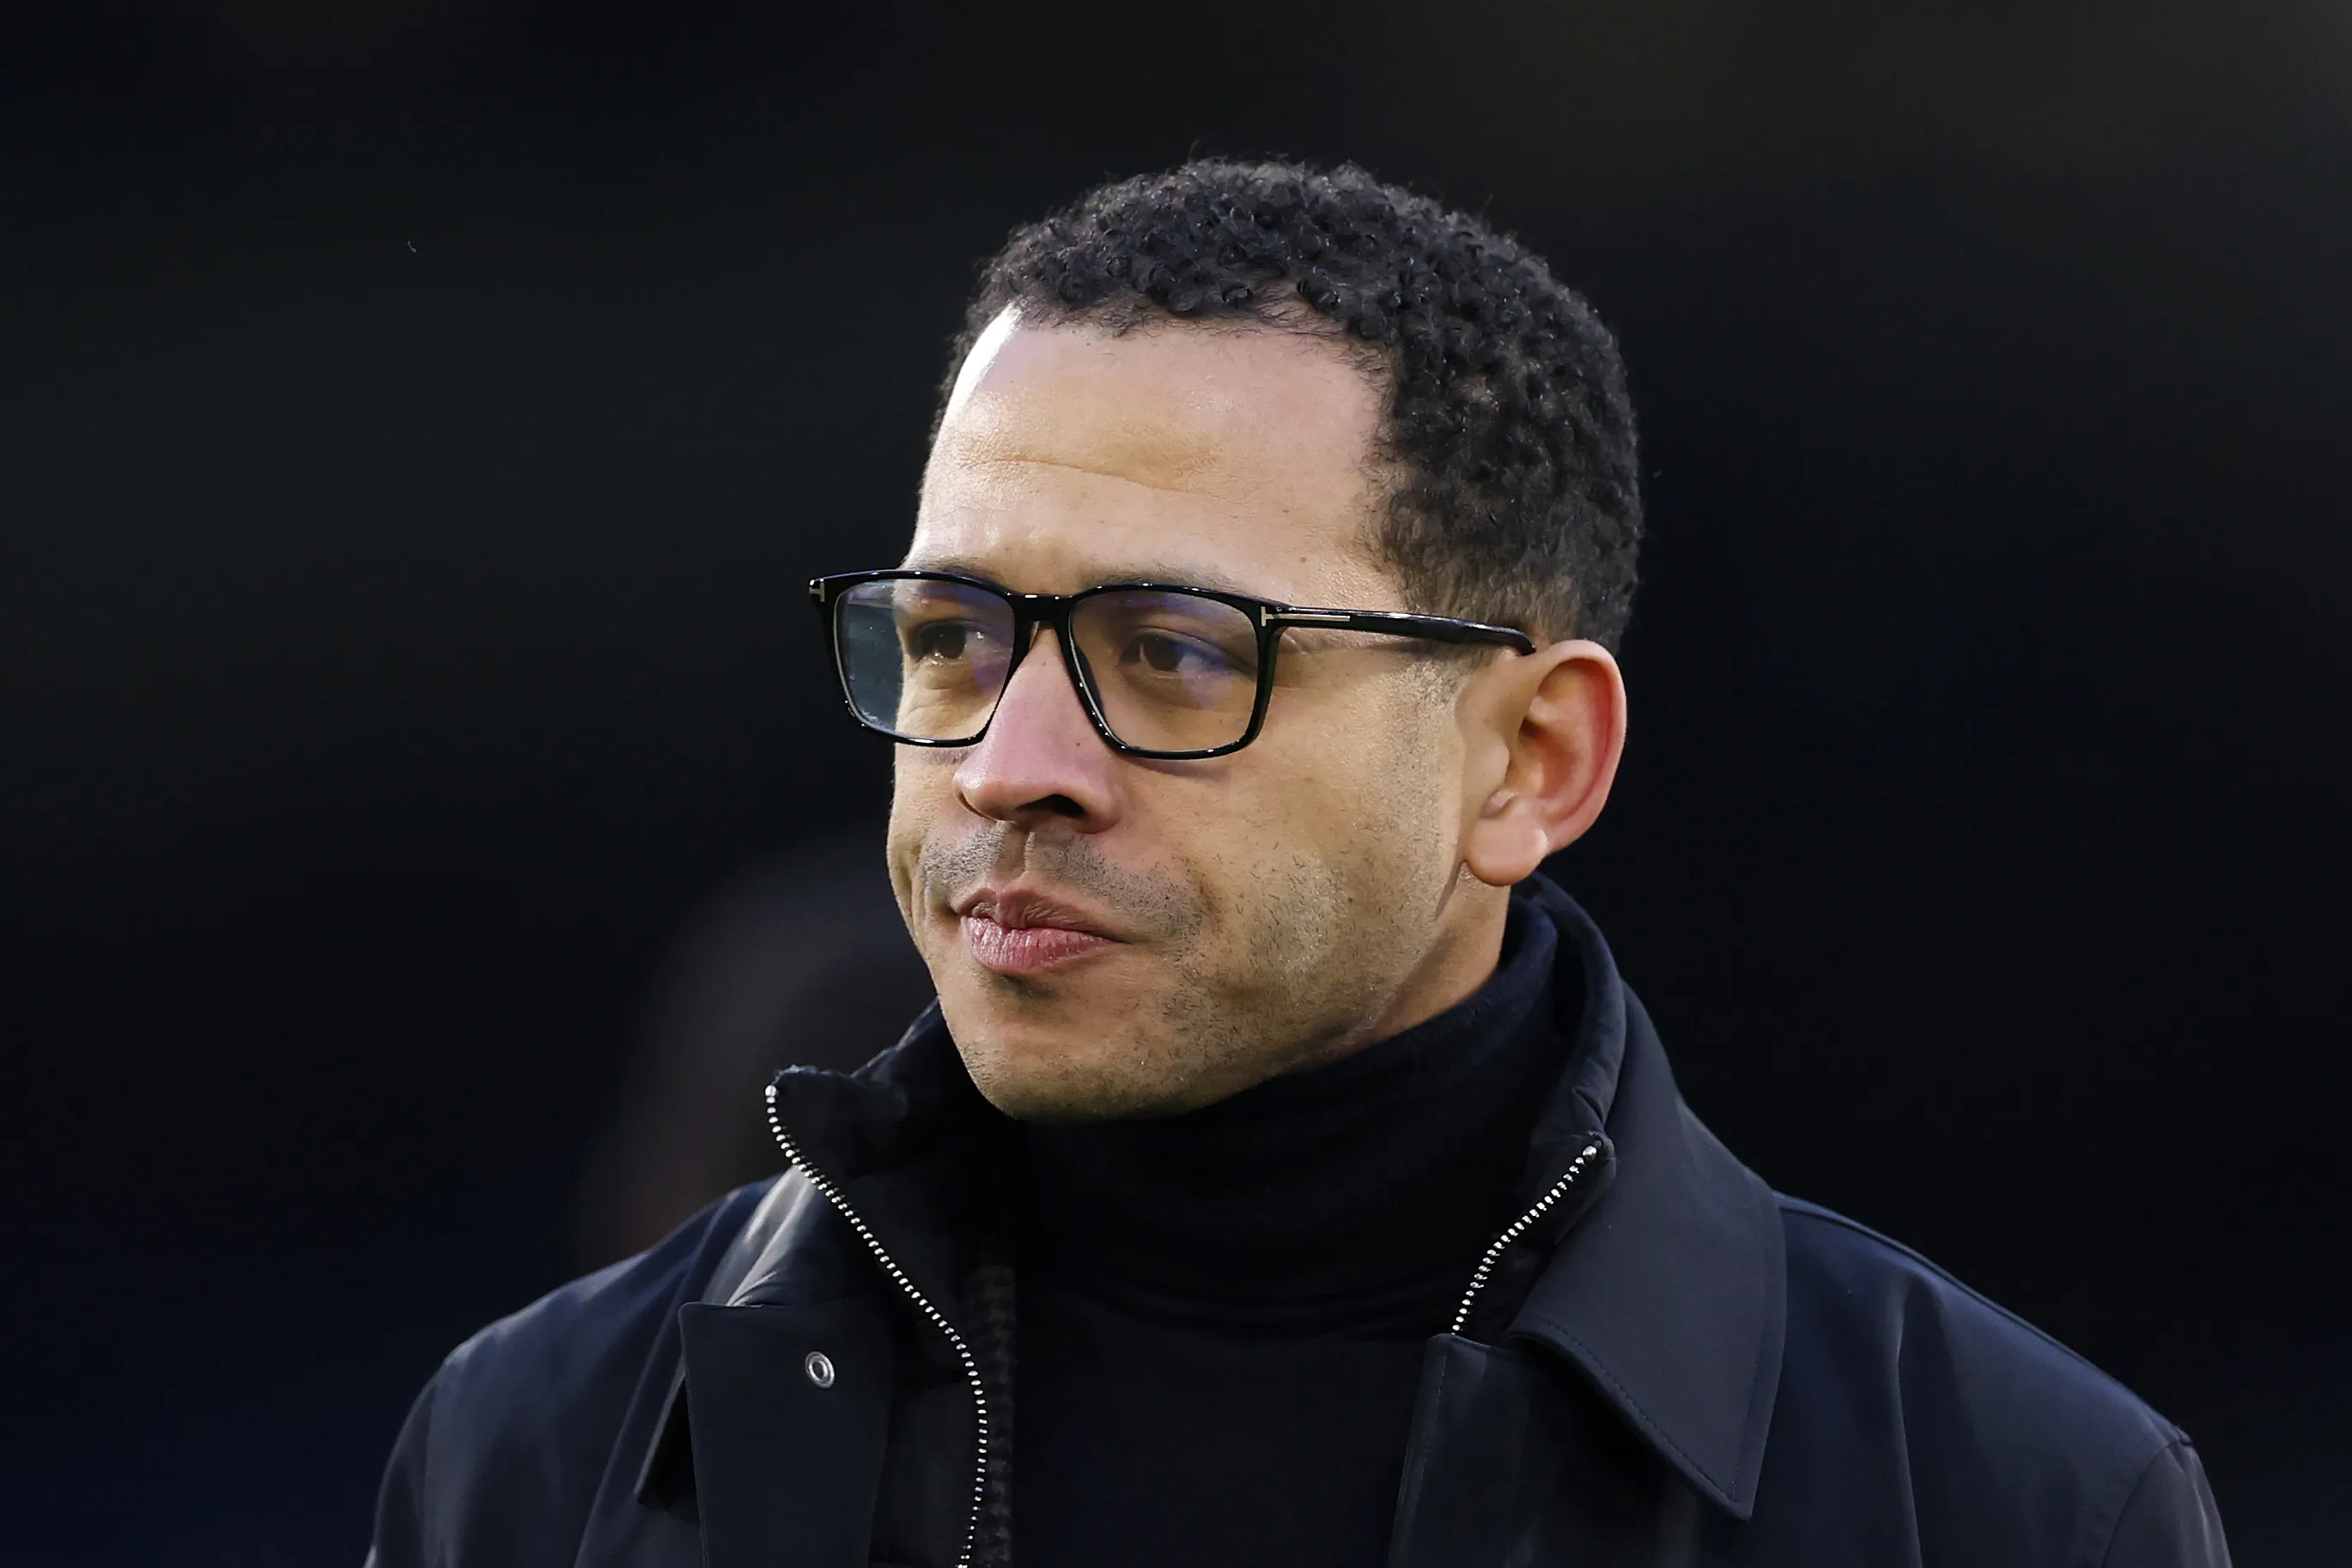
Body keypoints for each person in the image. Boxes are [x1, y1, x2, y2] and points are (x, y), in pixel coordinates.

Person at [368, 160, 2230, 1568]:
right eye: (951, 638)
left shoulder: (2004, 1501)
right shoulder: (539, 1450)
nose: (1008, 767)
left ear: (1530, 759)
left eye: (1176, 655)